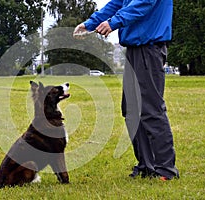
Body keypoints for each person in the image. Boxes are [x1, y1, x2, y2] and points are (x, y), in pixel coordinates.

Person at [73, 0, 179, 180]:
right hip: (135, 49)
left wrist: (113, 23)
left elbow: (142, 3)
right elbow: (117, 3)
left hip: (149, 48)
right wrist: (89, 23)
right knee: (131, 111)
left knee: (151, 110)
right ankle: (147, 165)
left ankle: (165, 170)